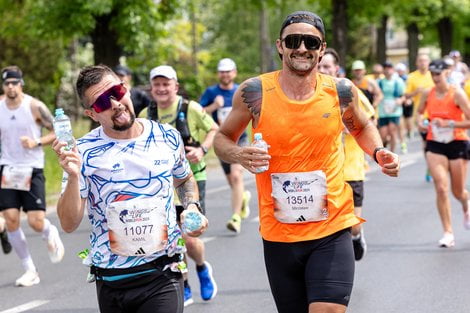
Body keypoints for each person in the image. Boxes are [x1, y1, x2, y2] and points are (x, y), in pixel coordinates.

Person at [214, 11, 400, 313]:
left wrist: (379, 152)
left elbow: (362, 127)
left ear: (322, 48)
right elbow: (222, 138)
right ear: (280, 46)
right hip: (279, 232)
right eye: (293, 41)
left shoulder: (339, 91)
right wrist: (238, 154)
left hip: (332, 226)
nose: (302, 48)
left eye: (311, 41)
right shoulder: (255, 92)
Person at [53, 64, 208, 313]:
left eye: (117, 91)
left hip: (162, 273)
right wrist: (73, 177)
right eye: (102, 102)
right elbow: (69, 223)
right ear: (92, 114)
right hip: (111, 280)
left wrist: (191, 206)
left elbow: (184, 178)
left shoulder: (167, 136)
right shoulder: (82, 152)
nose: (115, 103)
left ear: (127, 89)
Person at [147, 65, 218, 306]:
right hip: (162, 187)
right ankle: (184, 283)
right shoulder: (146, 114)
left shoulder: (190, 108)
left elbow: (214, 130)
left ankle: (201, 267)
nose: (161, 88)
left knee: (189, 239)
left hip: (191, 181)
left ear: (175, 86)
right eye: (157, 84)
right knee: (173, 239)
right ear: (151, 89)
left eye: (166, 84)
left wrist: (202, 149)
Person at [0, 66, 64, 286]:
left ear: (21, 84)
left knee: (36, 222)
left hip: (31, 169)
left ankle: (49, 230)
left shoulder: (35, 106)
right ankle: (29, 269)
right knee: (10, 220)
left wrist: (36, 142)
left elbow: (59, 131)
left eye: (14, 83)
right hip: (8, 169)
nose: (10, 87)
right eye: (7, 83)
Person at [318, 48, 376, 261]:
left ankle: (357, 236)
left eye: (327, 66)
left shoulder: (349, 91)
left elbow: (370, 122)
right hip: (322, 173)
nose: (322, 70)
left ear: (336, 68)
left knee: (351, 225)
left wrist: (347, 126)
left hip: (351, 168)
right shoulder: (309, 95)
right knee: (327, 227)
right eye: (319, 66)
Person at [417, 59, 470, 248]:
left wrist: (450, 124)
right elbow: (420, 113)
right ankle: (448, 232)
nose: (435, 77)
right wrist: (421, 123)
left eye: (438, 74)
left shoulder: (457, 94)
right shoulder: (427, 93)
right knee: (441, 187)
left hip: (457, 142)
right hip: (435, 143)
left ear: (447, 73)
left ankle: (466, 202)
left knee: (458, 191)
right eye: (432, 74)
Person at [200, 58, 251, 234]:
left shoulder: (240, 91)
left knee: (237, 176)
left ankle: (235, 217)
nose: (225, 74)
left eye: (228, 71)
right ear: (218, 74)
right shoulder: (211, 92)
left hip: (241, 139)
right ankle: (243, 197)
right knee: (232, 181)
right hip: (223, 140)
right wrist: (214, 106)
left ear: (234, 72)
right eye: (222, 71)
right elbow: (197, 113)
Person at [405, 53, 434, 181]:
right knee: (426, 142)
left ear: (429, 62)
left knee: (435, 141)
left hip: (436, 114)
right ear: (417, 63)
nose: (423, 63)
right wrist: (416, 92)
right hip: (421, 115)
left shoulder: (434, 75)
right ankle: (430, 165)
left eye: (425, 61)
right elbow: (406, 95)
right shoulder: (412, 77)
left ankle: (435, 165)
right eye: (420, 61)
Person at [376, 61, 406, 153]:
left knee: (392, 131)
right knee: (383, 134)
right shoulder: (379, 82)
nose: (388, 71)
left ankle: (392, 153)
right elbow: (375, 94)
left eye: (389, 68)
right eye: (386, 69)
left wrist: (400, 100)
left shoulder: (398, 81)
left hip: (395, 110)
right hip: (383, 110)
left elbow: (403, 95)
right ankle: (384, 148)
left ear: (393, 70)